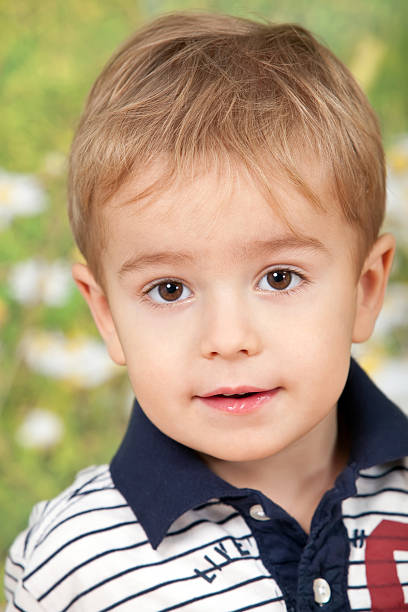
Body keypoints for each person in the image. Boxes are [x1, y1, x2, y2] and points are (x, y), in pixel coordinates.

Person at [5, 12, 408, 612]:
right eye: (169, 290)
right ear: (106, 315)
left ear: (365, 289)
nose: (227, 338)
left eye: (279, 277)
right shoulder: (70, 562)